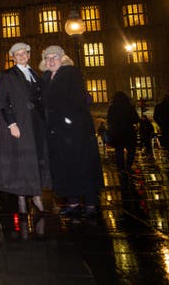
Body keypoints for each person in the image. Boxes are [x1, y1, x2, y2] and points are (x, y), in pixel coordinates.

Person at [41, 45, 103, 218]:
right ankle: (73, 202)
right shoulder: (46, 77)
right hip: (56, 131)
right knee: (64, 166)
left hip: (75, 129)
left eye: (54, 57)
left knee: (82, 165)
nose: (51, 60)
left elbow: (78, 98)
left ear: (62, 59)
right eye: (47, 58)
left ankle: (91, 204)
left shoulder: (71, 73)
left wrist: (69, 119)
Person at [0, 43, 50, 215]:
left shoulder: (36, 74)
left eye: (23, 53)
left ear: (28, 55)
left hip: (36, 124)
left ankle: (36, 195)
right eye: (16, 54)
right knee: (21, 160)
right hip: (19, 123)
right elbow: (3, 103)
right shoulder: (7, 75)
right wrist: (11, 124)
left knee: (36, 160)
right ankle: (21, 198)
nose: (20, 56)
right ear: (12, 57)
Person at [107, 91, 140, 173]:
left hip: (118, 132)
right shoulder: (129, 107)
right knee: (131, 150)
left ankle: (121, 168)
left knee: (119, 151)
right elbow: (136, 119)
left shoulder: (112, 108)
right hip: (129, 132)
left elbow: (109, 120)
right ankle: (128, 165)